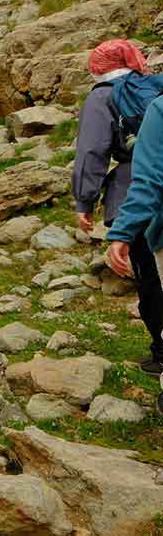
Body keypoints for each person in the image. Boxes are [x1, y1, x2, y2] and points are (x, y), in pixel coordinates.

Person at [87, 40, 163, 374]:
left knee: (150, 280)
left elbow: (93, 152)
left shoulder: (103, 95)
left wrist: (84, 200)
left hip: (135, 198)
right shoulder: (152, 88)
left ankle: (159, 353)